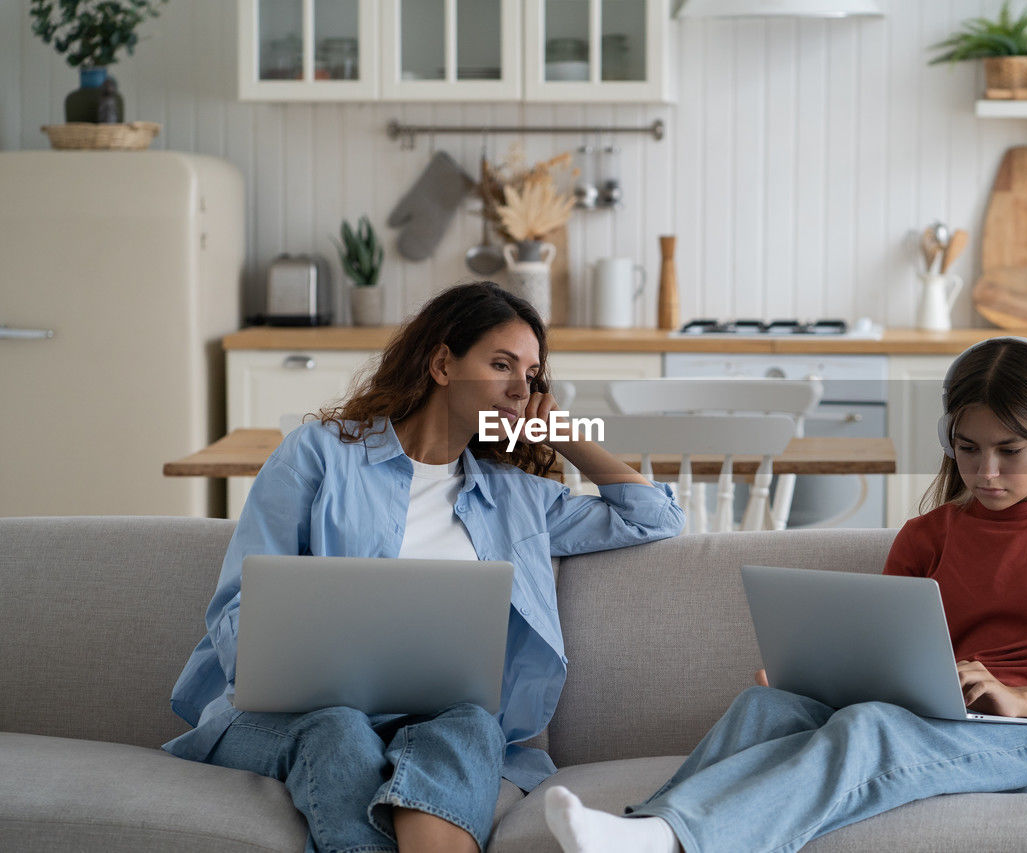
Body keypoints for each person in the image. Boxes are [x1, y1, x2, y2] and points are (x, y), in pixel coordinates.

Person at [544, 336, 1027, 853]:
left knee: (871, 729)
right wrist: (814, 674)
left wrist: (1020, 699)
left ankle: (670, 839)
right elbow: (889, 663)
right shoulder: (927, 536)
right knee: (768, 710)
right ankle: (644, 831)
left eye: (1011, 452)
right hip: (944, 718)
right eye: (969, 450)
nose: (987, 473)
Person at [164, 282, 684, 853]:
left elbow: (654, 518)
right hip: (303, 717)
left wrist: (565, 437)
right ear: (442, 364)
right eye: (501, 364)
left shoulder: (517, 499)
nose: (521, 388)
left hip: (439, 722)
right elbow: (237, 610)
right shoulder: (318, 455)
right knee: (339, 730)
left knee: (472, 725)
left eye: (532, 374)